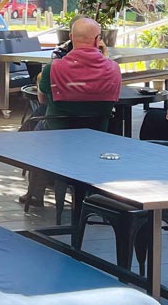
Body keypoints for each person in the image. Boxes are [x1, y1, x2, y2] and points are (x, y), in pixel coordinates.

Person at [19, 17, 122, 206]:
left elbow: (42, 99)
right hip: (97, 136)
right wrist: (104, 57)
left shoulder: (54, 68)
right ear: (97, 39)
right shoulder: (113, 69)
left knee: (38, 128)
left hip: (58, 135)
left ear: (71, 37)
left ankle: (35, 193)